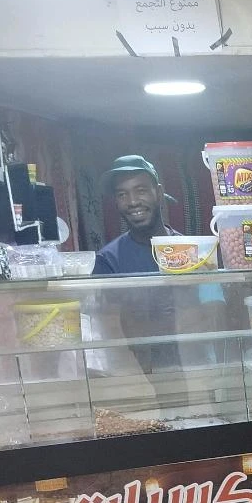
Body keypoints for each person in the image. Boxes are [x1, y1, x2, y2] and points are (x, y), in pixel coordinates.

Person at [89, 154, 223, 375]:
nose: (132, 201)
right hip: (140, 375)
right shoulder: (108, 261)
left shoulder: (196, 252)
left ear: (159, 193)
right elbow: (109, 333)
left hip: (197, 370)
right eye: (122, 194)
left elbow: (215, 314)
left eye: (141, 190)